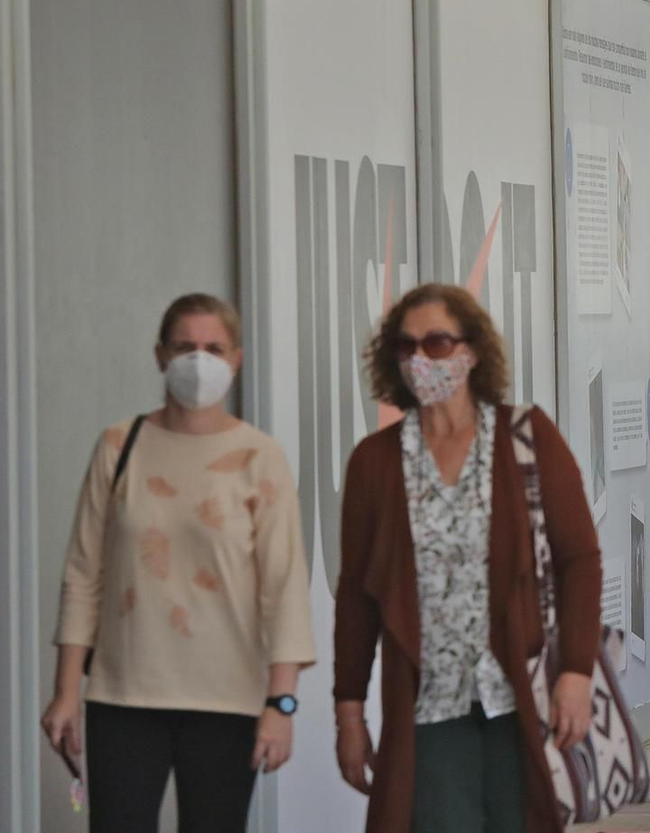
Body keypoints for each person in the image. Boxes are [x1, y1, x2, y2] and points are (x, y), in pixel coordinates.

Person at [41, 294, 315, 833]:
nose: (199, 359)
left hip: (228, 699)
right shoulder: (120, 446)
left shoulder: (259, 456)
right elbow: (84, 573)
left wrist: (281, 704)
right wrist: (66, 691)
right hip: (122, 695)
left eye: (213, 348)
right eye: (185, 346)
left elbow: (283, 586)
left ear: (236, 359)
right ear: (160, 355)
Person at [334, 283, 603, 833]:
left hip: (522, 696)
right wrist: (349, 710)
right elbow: (358, 599)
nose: (419, 360)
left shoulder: (526, 437)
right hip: (429, 707)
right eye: (406, 348)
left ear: (472, 351)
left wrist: (576, 671)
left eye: (436, 343)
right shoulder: (376, 463)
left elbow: (579, 560)